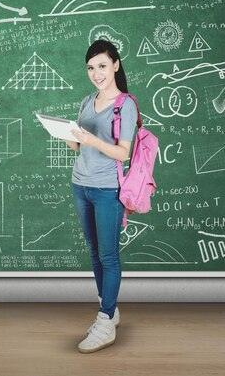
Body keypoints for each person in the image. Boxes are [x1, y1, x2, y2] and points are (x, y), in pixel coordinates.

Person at [65, 39, 138, 354]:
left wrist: (92, 140)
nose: (96, 73)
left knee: (109, 255)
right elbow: (80, 147)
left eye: (103, 66)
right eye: (91, 68)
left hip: (108, 189)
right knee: (94, 252)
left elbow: (123, 152)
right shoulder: (86, 101)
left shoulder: (126, 104)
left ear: (116, 65)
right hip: (80, 185)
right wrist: (69, 136)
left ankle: (106, 320)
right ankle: (110, 307)